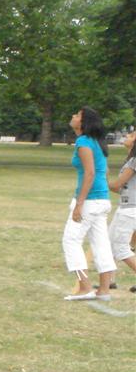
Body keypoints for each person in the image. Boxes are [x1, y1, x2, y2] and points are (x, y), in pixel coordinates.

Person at [61, 107, 115, 300]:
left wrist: (79, 204)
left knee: (70, 240)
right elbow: (105, 171)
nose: (73, 116)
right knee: (101, 243)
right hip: (102, 200)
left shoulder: (83, 141)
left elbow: (90, 173)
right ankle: (104, 290)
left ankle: (84, 287)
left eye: (76, 115)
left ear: (83, 123)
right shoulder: (96, 142)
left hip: (90, 201)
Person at [107, 129, 136, 292]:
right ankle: (109, 280)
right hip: (125, 207)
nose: (127, 137)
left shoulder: (134, 162)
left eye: (131, 136)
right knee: (109, 243)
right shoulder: (130, 160)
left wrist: (99, 180)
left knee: (121, 248)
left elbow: (117, 185)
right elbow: (121, 189)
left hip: (131, 209)